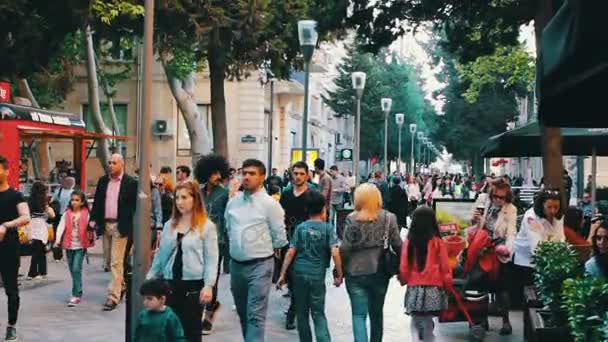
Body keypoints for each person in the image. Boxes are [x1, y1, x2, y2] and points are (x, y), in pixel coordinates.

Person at [225, 159, 288, 342]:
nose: (246, 177)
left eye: (252, 173)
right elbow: (228, 228)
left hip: (260, 265)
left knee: (255, 316)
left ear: (262, 177)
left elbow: (279, 236)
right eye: (244, 173)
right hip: (236, 265)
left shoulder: (270, 204)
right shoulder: (233, 203)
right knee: (244, 314)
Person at [147, 180, 218, 341]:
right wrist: (150, 278)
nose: (179, 202)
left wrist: (208, 285)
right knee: (169, 331)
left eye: (184, 197)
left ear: (195, 199)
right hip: (170, 284)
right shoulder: (169, 226)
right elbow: (161, 255)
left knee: (191, 331)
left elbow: (212, 260)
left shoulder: (206, 227)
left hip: (193, 286)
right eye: (177, 197)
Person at [276, 190, 343, 342]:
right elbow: (335, 252)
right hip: (316, 276)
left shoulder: (300, 228)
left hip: (299, 273)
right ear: (323, 209)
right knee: (318, 313)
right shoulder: (327, 229)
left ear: (307, 210)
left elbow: (290, 252)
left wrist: (282, 274)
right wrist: (339, 274)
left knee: (302, 314)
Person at [340, 183, 402, 342]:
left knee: (358, 315)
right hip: (380, 272)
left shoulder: (352, 219)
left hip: (355, 272)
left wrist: (339, 270)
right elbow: (398, 245)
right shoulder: (389, 218)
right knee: (377, 314)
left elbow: (345, 248)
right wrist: (402, 267)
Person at [468, 178, 517, 335]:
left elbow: (511, 232)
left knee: (502, 288)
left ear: (507, 196)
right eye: (495, 196)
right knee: (482, 286)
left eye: (502, 197)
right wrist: (474, 220)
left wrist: (508, 250)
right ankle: (483, 320)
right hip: (482, 249)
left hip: (499, 251)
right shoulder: (483, 201)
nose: (498, 200)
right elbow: (472, 223)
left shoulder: (510, 209)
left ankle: (506, 321)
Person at [90, 153, 138, 310]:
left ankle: (113, 296)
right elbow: (97, 201)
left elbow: (135, 206)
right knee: (109, 260)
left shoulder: (130, 183)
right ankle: (122, 285)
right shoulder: (103, 181)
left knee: (116, 262)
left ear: (122, 164)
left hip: (121, 226)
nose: (110, 165)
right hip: (106, 225)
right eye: (109, 162)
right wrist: (93, 219)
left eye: (114, 162)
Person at [399, 207, 452, 341]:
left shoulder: (409, 242)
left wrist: (404, 280)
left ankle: (416, 339)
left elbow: (404, 266)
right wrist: (447, 285)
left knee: (415, 320)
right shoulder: (438, 242)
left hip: (414, 288)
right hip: (433, 288)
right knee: (428, 322)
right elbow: (445, 267)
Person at [193, 154, 230, 335]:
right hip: (197, 239)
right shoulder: (197, 192)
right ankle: (209, 305)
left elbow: (228, 219)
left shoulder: (225, 193)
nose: (217, 177)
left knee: (211, 278)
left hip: (217, 240)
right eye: (214, 173)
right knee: (199, 276)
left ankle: (208, 315)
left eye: (219, 173)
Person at [512, 189, 565, 304]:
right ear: (542, 205)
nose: (553, 211)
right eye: (549, 207)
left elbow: (561, 238)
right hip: (527, 262)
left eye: (556, 207)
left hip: (550, 260)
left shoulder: (559, 216)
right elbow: (537, 248)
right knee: (530, 300)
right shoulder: (531, 218)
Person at [279, 161, 314, 329]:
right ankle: (295, 308)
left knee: (303, 277)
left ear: (307, 175)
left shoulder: (313, 195)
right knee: (292, 277)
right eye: (295, 173)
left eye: (301, 173)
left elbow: (321, 219)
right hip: (289, 239)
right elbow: (280, 218)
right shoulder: (286, 194)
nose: (298, 176)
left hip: (308, 242)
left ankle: (295, 310)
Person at [0, 155, 30, 341]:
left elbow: (26, 217)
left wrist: (6, 225)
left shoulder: (15, 195)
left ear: (6, 171)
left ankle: (11, 325)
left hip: (9, 247)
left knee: (11, 289)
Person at [55, 190, 94, 306]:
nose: (74, 202)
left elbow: (91, 226)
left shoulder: (86, 213)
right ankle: (79, 288)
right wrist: (57, 240)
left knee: (76, 268)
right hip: (69, 245)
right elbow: (61, 226)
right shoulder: (67, 213)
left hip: (81, 246)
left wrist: (92, 229)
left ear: (82, 202)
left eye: (77, 200)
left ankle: (76, 294)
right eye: (72, 200)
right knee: (73, 270)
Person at [27, 181, 55, 280]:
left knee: (37, 250)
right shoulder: (44, 201)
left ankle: (36, 272)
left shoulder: (29, 200)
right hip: (41, 227)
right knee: (41, 250)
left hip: (31, 226)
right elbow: (52, 215)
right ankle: (38, 272)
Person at [50, 176, 75, 261]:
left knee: (58, 236)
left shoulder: (58, 191)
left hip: (58, 216)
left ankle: (57, 255)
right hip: (69, 216)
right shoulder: (74, 193)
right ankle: (70, 253)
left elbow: (52, 201)